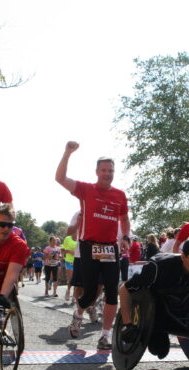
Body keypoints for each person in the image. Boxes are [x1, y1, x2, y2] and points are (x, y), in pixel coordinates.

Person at [55, 141, 130, 350]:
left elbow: (124, 220)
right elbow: (60, 178)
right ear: (97, 172)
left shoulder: (119, 195)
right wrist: (67, 152)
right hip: (89, 246)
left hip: (110, 249)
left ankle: (106, 336)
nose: (108, 174)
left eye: (111, 170)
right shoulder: (86, 190)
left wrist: (126, 237)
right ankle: (79, 313)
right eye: (104, 170)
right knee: (88, 293)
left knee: (112, 292)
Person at [118, 237, 189, 358]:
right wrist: (128, 324)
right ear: (183, 257)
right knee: (159, 350)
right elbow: (124, 289)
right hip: (159, 313)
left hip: (187, 310)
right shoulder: (158, 267)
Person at [61, 231, 77, 301]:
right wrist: (70, 252)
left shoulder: (80, 239)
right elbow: (62, 249)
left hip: (78, 261)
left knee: (77, 278)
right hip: (69, 261)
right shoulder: (68, 238)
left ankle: (74, 295)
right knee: (70, 278)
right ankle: (68, 291)